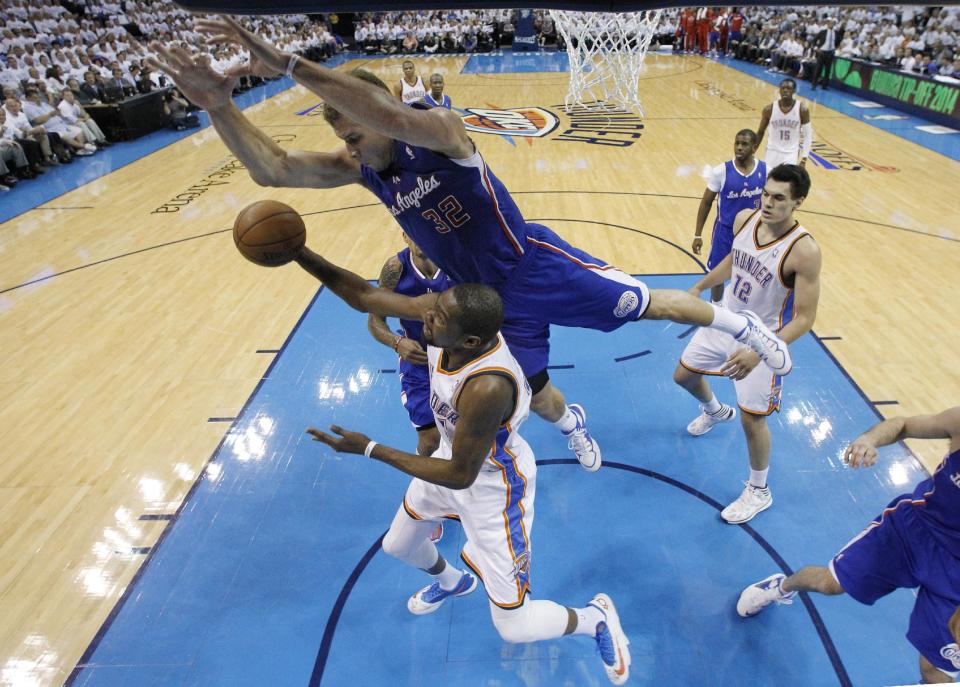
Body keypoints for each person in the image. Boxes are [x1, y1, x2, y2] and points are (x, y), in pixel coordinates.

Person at [146, 17, 793, 476]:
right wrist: (218, 107)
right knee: (535, 392)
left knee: (647, 304)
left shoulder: (440, 132)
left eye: (349, 118)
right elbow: (275, 171)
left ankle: (748, 329)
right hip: (478, 301)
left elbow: (393, 119)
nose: (345, 134)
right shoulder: (363, 167)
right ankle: (575, 426)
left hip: (531, 265)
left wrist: (289, 64)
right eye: (337, 126)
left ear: (376, 105)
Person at [299, 249, 633, 686]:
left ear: (469, 342)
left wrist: (370, 448)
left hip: (494, 486)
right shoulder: (448, 324)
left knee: (514, 627)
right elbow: (363, 295)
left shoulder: (488, 385)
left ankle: (595, 619)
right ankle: (454, 582)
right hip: (451, 460)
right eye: (431, 311)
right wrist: (296, 253)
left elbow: (462, 476)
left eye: (435, 320)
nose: (425, 320)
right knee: (399, 545)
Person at [737, 406, 960, 684]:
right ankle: (781, 587)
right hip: (910, 532)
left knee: (936, 670)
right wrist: (869, 440)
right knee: (828, 583)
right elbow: (903, 423)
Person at [674, 164, 821, 524]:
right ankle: (713, 410)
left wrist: (760, 351)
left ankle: (759, 490)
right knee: (683, 376)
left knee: (753, 421)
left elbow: (804, 318)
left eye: (779, 198)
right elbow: (733, 261)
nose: (768, 202)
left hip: (762, 337)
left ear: (798, 202)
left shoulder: (804, 252)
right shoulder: (745, 218)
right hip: (725, 319)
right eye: (766, 193)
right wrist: (699, 286)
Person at [367, 233, 452, 457]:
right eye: (411, 233)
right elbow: (375, 320)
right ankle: (422, 485)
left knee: (467, 432)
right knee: (429, 441)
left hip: (460, 358)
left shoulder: (457, 261)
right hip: (419, 360)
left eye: (421, 230)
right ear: (405, 236)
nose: (419, 238)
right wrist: (397, 342)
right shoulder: (395, 270)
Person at [692, 129, 766, 303]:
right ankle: (716, 305)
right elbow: (706, 203)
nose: (739, 147)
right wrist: (697, 234)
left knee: (752, 275)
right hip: (724, 233)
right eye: (737, 143)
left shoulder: (766, 170)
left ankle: (743, 307)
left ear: (754, 148)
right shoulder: (721, 171)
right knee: (716, 274)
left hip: (752, 234)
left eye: (744, 144)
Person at [756, 78, 812, 169]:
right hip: (772, 151)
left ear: (794, 91)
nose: (785, 90)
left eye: (788, 88)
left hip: (790, 154)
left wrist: (804, 159)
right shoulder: (769, 109)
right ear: (779, 90)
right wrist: (753, 151)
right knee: (768, 179)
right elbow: (760, 132)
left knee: (786, 181)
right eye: (783, 88)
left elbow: (807, 135)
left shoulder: (802, 110)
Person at [811, 18, 839, 90]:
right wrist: (816, 49)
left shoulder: (836, 33)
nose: (831, 24)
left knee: (827, 71)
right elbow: (814, 41)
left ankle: (824, 86)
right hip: (822, 52)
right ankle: (814, 85)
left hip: (830, 53)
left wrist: (835, 48)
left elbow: (838, 41)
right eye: (830, 23)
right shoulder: (823, 32)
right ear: (827, 24)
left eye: (833, 23)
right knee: (818, 70)